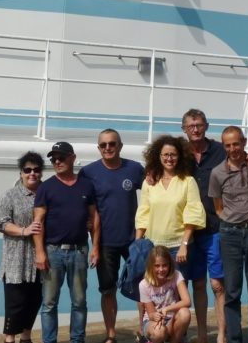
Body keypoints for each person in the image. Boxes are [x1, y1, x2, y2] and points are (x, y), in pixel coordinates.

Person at [80, 129, 145, 343]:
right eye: (103, 145)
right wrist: (92, 239)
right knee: (108, 290)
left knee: (143, 287)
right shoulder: (88, 172)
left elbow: (155, 193)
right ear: (98, 148)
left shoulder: (135, 169)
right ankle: (111, 335)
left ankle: (146, 331)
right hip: (105, 243)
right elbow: (82, 204)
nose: (108, 148)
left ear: (120, 146)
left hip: (133, 240)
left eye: (112, 144)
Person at [33, 141, 100, 343]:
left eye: (61, 157)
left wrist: (95, 247)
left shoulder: (86, 185)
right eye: (54, 159)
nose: (57, 161)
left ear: (73, 158)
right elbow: (38, 222)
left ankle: (77, 340)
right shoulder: (46, 187)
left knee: (79, 301)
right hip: (53, 252)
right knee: (49, 303)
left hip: (79, 251)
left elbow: (94, 217)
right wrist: (40, 253)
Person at [209, 126, 248, 343]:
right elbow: (217, 207)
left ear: (243, 142)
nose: (232, 148)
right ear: (223, 146)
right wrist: (232, 220)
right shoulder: (217, 173)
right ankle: (234, 339)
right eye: (227, 145)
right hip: (230, 234)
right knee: (232, 292)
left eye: (236, 143)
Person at [181, 108, 227, 343]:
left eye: (199, 125)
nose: (196, 129)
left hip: (215, 228)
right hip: (189, 231)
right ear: (184, 130)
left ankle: (221, 335)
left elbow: (241, 159)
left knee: (218, 285)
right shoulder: (180, 154)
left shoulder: (221, 151)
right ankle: (201, 335)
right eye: (191, 126)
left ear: (206, 126)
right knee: (197, 284)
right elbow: (162, 166)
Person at [0, 151, 46, 343]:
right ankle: (9, 338)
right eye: (27, 170)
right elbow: (2, 223)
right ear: (21, 172)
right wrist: (25, 231)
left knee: (34, 300)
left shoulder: (47, 192)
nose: (32, 173)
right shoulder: (10, 195)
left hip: (40, 257)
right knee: (15, 302)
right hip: (16, 258)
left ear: (41, 172)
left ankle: (26, 337)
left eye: (36, 170)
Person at [135, 135, 206, 268]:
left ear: (180, 156)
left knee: (178, 287)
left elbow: (193, 215)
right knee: (154, 288)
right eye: (165, 155)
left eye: (173, 155)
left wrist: (184, 245)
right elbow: (143, 213)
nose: (169, 158)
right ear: (159, 156)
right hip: (153, 247)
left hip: (178, 248)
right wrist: (137, 244)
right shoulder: (149, 182)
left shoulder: (188, 181)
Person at [138, 245, 193, 343]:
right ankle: (149, 339)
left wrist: (166, 309)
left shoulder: (176, 275)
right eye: (157, 266)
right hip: (152, 322)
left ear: (170, 265)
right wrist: (156, 316)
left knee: (185, 313)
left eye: (164, 265)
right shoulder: (144, 284)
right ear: (151, 266)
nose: (161, 269)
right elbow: (151, 314)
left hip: (172, 319)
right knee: (159, 332)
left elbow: (187, 301)